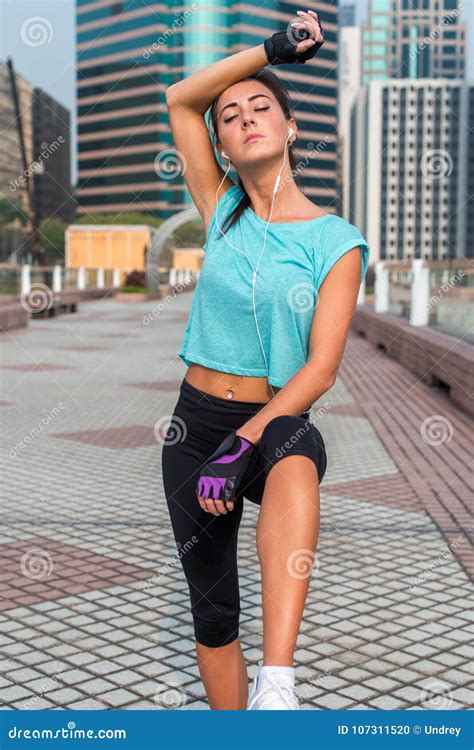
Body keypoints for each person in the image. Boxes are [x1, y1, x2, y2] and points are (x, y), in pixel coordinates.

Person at [161, 9, 370, 710]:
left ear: (290, 129)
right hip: (192, 428)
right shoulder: (221, 209)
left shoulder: (335, 241)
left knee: (294, 444)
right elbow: (179, 99)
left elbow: (321, 370)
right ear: (220, 144)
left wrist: (241, 440)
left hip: (269, 416)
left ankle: (278, 685)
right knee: (213, 616)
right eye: (231, 117)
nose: (246, 117)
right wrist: (271, 52)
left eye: (262, 107)